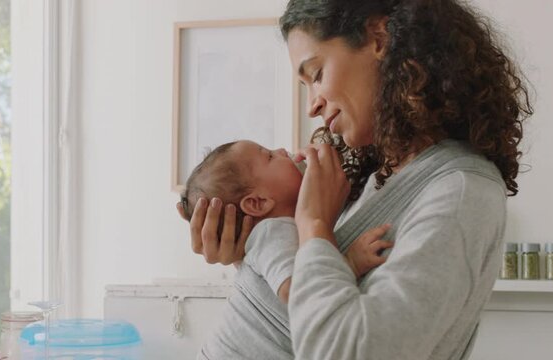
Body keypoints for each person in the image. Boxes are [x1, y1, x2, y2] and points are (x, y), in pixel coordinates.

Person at [178, 0, 532, 359]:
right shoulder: (370, 176)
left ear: (379, 38)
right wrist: (243, 248)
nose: (311, 106)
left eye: (316, 74)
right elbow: (301, 300)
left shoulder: (460, 192)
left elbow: (345, 349)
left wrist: (314, 224)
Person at [178, 140, 391, 359]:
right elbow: (298, 291)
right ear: (258, 203)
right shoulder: (274, 232)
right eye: (269, 156)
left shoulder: (284, 233)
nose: (281, 150)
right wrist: (350, 263)